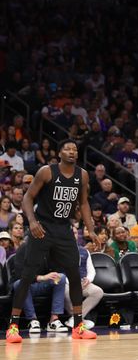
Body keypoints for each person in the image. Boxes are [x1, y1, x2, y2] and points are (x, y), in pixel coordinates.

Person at [4, 139, 99, 344]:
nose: (72, 152)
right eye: (67, 148)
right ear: (59, 153)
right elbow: (28, 198)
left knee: (74, 274)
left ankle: (78, 326)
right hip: (43, 227)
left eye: (74, 149)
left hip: (64, 229)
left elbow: (83, 203)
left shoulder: (82, 175)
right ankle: (13, 326)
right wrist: (32, 221)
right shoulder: (47, 172)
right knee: (28, 275)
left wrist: (91, 230)